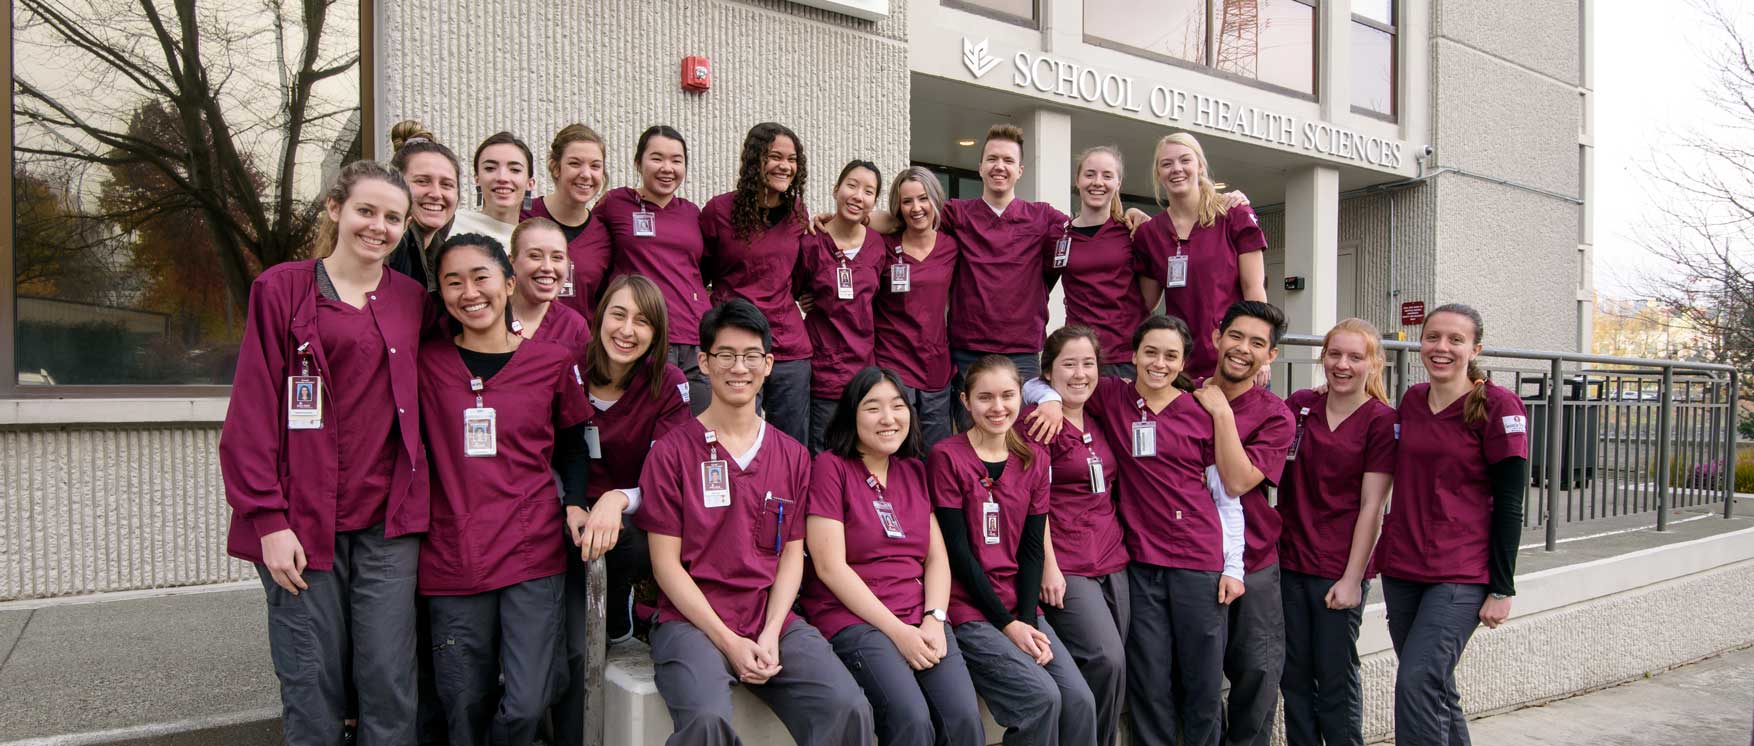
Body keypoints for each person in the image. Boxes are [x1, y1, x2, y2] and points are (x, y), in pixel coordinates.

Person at [220, 160, 425, 746]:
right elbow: (252, 414)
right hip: (302, 525)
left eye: (393, 218)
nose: (378, 227)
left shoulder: (413, 300)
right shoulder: (281, 289)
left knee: (389, 680)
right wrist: (267, 520)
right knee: (312, 682)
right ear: (335, 209)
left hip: (388, 523)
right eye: (366, 210)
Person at [635, 299, 873, 746]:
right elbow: (666, 567)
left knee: (846, 707)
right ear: (704, 362)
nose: (737, 367)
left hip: (769, 615)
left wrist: (769, 632)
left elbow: (790, 556)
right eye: (725, 355)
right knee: (706, 721)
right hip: (692, 620)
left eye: (750, 356)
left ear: (768, 364)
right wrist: (729, 641)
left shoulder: (793, 455)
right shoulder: (672, 453)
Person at [1020, 315, 1246, 746]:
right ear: (1133, 356)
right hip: (1140, 562)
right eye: (1151, 352)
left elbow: (1227, 496)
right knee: (1148, 676)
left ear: (1183, 362)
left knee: (1202, 676)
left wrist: (1234, 564)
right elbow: (1051, 379)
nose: (1159, 363)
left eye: (1171, 355)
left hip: (1198, 560)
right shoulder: (1112, 396)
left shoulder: (1202, 411)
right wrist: (1046, 397)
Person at [417, 233, 594, 746]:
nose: (469, 292)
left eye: (481, 277)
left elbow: (573, 447)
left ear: (509, 283)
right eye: (454, 282)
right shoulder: (425, 365)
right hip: (454, 553)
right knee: (463, 702)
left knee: (528, 701)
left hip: (530, 548)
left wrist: (577, 503)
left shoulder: (551, 364)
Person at [801, 366, 986, 746]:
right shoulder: (831, 469)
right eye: (873, 408)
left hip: (920, 613)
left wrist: (934, 619)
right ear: (851, 414)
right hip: (856, 618)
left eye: (898, 406)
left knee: (964, 718)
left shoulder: (914, 471)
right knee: (911, 721)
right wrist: (899, 632)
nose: (888, 418)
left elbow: (936, 559)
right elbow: (830, 568)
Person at [1374, 304, 1528, 746]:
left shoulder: (1500, 406)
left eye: (1455, 340)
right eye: (1433, 337)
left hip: (1460, 571)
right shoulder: (1412, 400)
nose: (1441, 348)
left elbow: (1511, 503)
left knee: (1417, 683)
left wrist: (1502, 587)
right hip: (1404, 568)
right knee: (1434, 687)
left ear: (1475, 348)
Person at [550, 274, 694, 746]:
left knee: (634, 539)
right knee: (560, 648)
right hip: (563, 514)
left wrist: (616, 499)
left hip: (628, 517)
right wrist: (574, 503)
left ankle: (616, 607)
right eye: (619, 314)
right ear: (599, 314)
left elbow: (668, 477)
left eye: (643, 321)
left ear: (658, 333)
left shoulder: (667, 383)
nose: (628, 330)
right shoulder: (565, 369)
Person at [931, 354, 1098, 746]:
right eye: (985, 397)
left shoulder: (1034, 458)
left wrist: (1025, 620)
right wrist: (1009, 626)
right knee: (1041, 699)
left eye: (1007, 395)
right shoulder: (947, 457)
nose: (998, 407)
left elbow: (1032, 549)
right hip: (968, 608)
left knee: (1080, 700)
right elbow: (958, 553)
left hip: (1020, 606)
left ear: (1021, 399)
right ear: (965, 401)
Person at [1277, 318, 1397, 746]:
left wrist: (1351, 579)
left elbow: (1372, 508)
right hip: (1290, 561)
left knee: (1334, 678)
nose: (1342, 364)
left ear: (1373, 364)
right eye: (1334, 354)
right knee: (1293, 676)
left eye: (1354, 356)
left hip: (1338, 569)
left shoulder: (1382, 421)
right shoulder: (1300, 405)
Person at [1188, 301, 1295, 746]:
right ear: (1216, 337)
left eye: (1257, 344)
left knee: (1257, 671)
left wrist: (1222, 413)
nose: (1242, 349)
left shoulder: (1275, 415)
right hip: (1187, 559)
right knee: (1198, 675)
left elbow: (1235, 480)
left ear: (1270, 356)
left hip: (1252, 560)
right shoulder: (1180, 394)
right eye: (1236, 336)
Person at [1022, 326, 1129, 746]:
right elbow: (1034, 502)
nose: (1080, 374)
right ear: (1048, 372)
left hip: (1113, 558)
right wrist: (1048, 566)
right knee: (1106, 659)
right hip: (1067, 562)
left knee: (1114, 666)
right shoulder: (1040, 425)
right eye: (1068, 364)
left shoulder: (1100, 415)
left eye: (1088, 364)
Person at [579, 125, 712, 412]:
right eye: (657, 158)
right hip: (643, 338)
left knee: (700, 431)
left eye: (676, 160)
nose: (667, 168)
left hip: (694, 338)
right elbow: (584, 241)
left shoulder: (691, 212)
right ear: (638, 163)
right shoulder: (615, 204)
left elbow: (705, 269)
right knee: (649, 429)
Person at [700, 122, 813, 442]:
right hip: (734, 347)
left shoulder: (797, 215)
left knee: (790, 445)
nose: (785, 166)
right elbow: (698, 273)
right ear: (754, 160)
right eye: (775, 156)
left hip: (788, 350)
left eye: (792, 160)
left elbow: (800, 277)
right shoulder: (719, 211)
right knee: (732, 437)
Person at [1133, 133, 1268, 381]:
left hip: (1235, 360)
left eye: (1185, 160)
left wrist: (1259, 351)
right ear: (1158, 174)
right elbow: (1145, 304)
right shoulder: (1149, 234)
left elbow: (1254, 289)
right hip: (1181, 365)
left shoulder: (1232, 215)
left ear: (1200, 166)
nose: (1177, 169)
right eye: (1166, 164)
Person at [799, 161, 887, 452]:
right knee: (823, 455)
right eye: (851, 185)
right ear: (836, 189)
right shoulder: (811, 241)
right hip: (823, 370)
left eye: (868, 191)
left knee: (860, 456)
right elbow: (791, 287)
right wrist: (802, 298)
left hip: (864, 372)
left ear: (874, 202)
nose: (858, 195)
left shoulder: (877, 246)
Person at [873, 166, 961, 447]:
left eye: (923, 198)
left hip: (936, 367)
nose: (916, 208)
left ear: (935, 199)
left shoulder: (952, 247)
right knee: (896, 450)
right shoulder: (883, 246)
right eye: (907, 201)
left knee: (934, 453)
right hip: (893, 364)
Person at [1051, 147, 1145, 380]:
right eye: (1090, 174)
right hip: (1078, 356)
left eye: (1107, 176)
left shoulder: (1133, 232)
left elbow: (1150, 298)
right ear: (1077, 180)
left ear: (1118, 183)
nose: (1097, 182)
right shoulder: (1059, 235)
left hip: (1125, 358)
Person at [523, 124, 612, 325]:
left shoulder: (603, 234)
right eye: (575, 163)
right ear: (555, 168)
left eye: (595, 166)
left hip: (579, 349)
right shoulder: (523, 216)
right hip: (526, 346)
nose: (586, 174)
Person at [385, 120, 460, 292]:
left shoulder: (443, 258)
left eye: (446, 184)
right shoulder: (384, 252)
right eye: (422, 181)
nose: (436, 193)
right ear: (395, 186)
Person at [507, 217, 592, 358]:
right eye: (535, 256)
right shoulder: (489, 317)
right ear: (511, 262)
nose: (547, 267)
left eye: (557, 257)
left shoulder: (573, 326)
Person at [453, 131, 534, 250]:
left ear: (530, 184)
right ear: (477, 180)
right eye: (490, 168)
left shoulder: (535, 242)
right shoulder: (451, 225)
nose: (502, 178)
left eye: (515, 170)